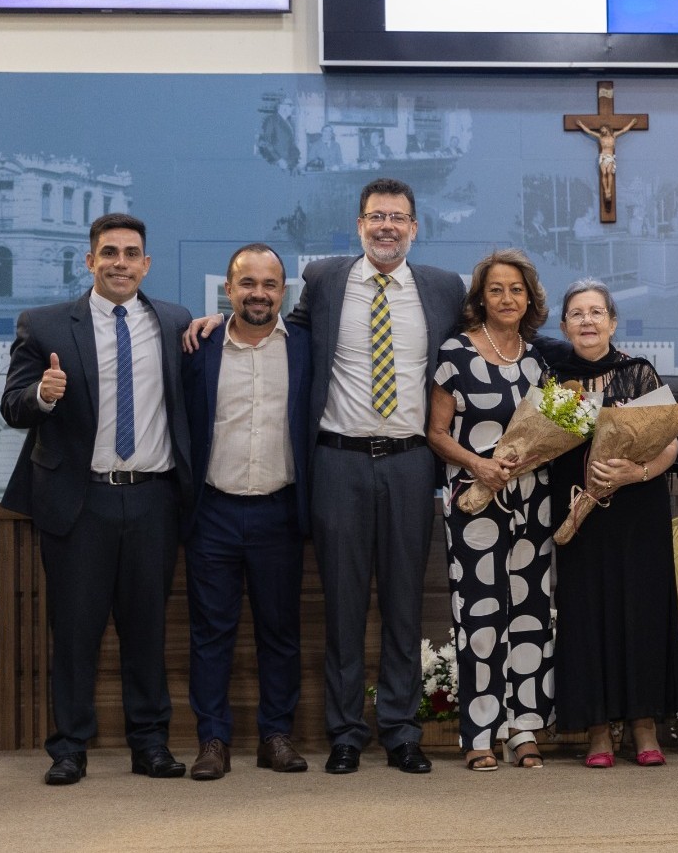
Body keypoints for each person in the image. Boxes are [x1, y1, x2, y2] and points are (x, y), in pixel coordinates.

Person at [185, 178, 468, 775]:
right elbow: (268, 322)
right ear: (359, 225)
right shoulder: (327, 279)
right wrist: (215, 319)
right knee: (342, 605)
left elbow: (483, 343)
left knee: (403, 603)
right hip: (337, 460)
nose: (386, 226)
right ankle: (345, 732)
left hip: (413, 460)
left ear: (415, 227)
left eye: (398, 217)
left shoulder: (444, 288)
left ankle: (399, 730)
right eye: (375, 217)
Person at [0, 212, 194, 785]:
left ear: (146, 264)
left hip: (155, 500)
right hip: (80, 501)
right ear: (90, 262)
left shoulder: (174, 322)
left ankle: (150, 744)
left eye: (131, 254)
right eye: (109, 253)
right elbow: (13, 406)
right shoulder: (47, 325)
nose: (120, 263)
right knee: (76, 631)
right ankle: (69, 747)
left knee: (146, 630)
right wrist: (42, 393)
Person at [180, 244, 312, 780]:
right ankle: (213, 740)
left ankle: (275, 737)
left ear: (284, 291)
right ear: (228, 290)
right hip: (211, 510)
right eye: (247, 283)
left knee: (279, 632)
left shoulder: (306, 347)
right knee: (211, 633)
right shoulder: (197, 347)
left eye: (270, 284)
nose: (259, 293)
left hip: (280, 512)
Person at [544, 279, 678, 769]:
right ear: (563, 326)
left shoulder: (638, 372)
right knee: (587, 615)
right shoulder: (551, 377)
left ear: (612, 322)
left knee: (641, 611)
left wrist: (636, 471)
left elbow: (668, 442)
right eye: (577, 314)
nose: (587, 321)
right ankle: (598, 729)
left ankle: (644, 724)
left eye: (596, 312)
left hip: (636, 510)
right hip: (578, 512)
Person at [426, 249, 555, 771]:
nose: (507, 298)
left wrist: (537, 453)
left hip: (534, 502)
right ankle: (480, 732)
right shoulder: (454, 353)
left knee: (530, 616)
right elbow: (435, 433)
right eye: (497, 289)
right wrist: (478, 465)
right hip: (475, 501)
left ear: (530, 298)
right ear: (480, 298)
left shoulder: (540, 359)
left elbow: (554, 431)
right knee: (480, 614)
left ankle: (524, 728)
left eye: (516, 290)